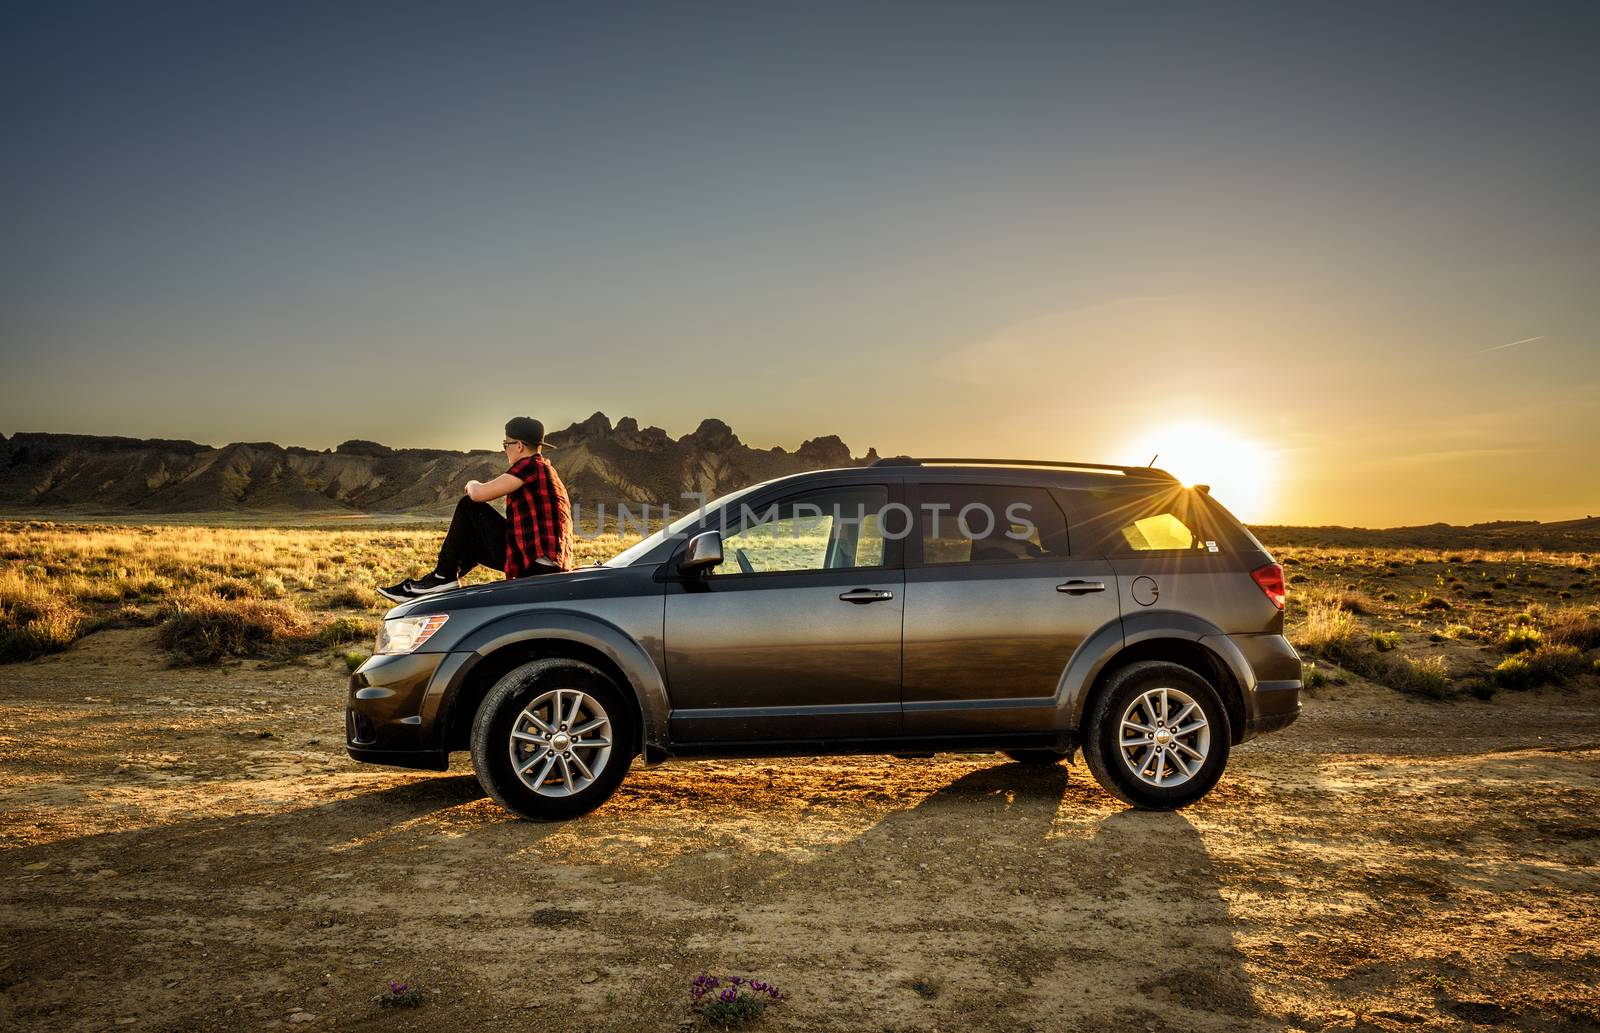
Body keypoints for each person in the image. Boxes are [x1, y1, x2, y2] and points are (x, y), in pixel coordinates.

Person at [378, 417, 574, 601]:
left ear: (519, 446)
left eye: (506, 445)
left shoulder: (529, 466)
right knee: (471, 545)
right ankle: (436, 582)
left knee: (468, 505)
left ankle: (441, 577)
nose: (505, 450)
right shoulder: (547, 470)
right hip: (544, 564)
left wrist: (472, 483)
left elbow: (478, 494)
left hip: (534, 565)